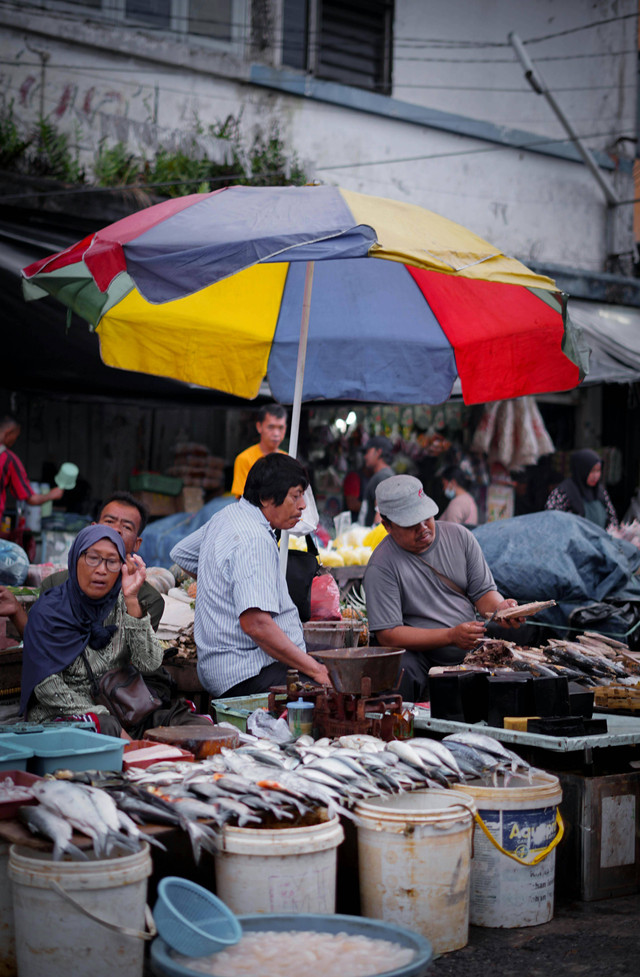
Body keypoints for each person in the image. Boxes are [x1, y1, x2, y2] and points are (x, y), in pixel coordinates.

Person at [19, 526, 204, 738]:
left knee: (190, 723)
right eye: (93, 558)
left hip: (125, 710)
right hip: (65, 717)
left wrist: (132, 601)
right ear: (75, 559)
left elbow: (149, 663)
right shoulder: (48, 611)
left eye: (112, 561)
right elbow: (47, 688)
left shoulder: (123, 604)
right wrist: (104, 718)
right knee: (104, 727)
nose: (101, 569)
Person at [178, 453, 331, 698]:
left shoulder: (228, 515)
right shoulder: (254, 539)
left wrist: (224, 584)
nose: (303, 505)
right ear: (266, 498)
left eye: (303, 495)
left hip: (222, 668)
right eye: (296, 495)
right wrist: (315, 671)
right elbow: (256, 624)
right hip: (247, 673)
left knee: (334, 661)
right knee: (335, 689)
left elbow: (182, 553)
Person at [363, 475, 521, 702]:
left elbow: (484, 593)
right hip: (422, 657)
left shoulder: (461, 537)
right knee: (401, 667)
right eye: (410, 524)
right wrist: (450, 636)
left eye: (426, 518)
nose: (423, 528)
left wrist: (501, 608)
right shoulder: (381, 566)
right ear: (387, 526)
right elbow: (389, 635)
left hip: (470, 649)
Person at [0, 492, 165, 639]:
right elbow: (40, 642)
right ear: (92, 529)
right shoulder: (56, 584)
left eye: (127, 527)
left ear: (137, 544)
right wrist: (16, 611)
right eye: (109, 521)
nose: (116, 530)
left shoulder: (149, 599)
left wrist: (131, 601)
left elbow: (135, 659)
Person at [0, 415, 64, 526]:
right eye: (16, 436)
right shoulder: (8, 459)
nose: (15, 440)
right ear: (9, 433)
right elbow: (31, 499)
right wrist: (52, 495)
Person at [544, 449, 618, 529]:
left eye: (598, 471)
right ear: (582, 470)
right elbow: (551, 519)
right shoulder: (563, 491)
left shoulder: (600, 491)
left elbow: (612, 518)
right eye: (592, 471)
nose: (596, 476)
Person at [230, 403, 288, 497]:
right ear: (259, 427)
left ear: (285, 428)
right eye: (271, 427)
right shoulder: (245, 459)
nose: (276, 434)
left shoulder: (288, 460)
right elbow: (242, 499)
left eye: (280, 428)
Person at [357, 436, 395, 526]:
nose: (365, 456)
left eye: (367, 452)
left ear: (378, 452)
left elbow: (382, 512)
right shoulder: (383, 475)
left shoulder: (383, 476)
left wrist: (375, 536)